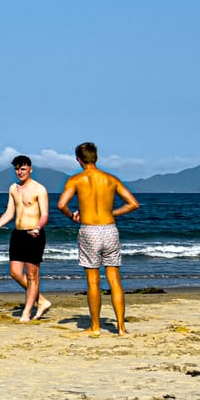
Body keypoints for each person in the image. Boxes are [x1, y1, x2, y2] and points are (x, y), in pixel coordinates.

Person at [57, 141, 138, 336]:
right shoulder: (111, 179)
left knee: (93, 282)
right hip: (110, 229)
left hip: (90, 230)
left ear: (78, 160)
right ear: (96, 157)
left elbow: (61, 205)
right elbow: (133, 204)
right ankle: (121, 327)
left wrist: (72, 216)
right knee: (115, 280)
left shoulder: (76, 180)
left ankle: (95, 327)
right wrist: (112, 213)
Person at [0, 155, 51, 321]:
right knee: (15, 272)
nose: (20, 172)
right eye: (17, 169)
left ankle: (26, 312)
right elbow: (9, 212)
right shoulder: (13, 188)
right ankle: (40, 300)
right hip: (18, 234)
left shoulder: (39, 189)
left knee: (33, 275)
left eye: (23, 169)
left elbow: (45, 214)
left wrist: (38, 227)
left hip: (34, 234)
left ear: (30, 169)